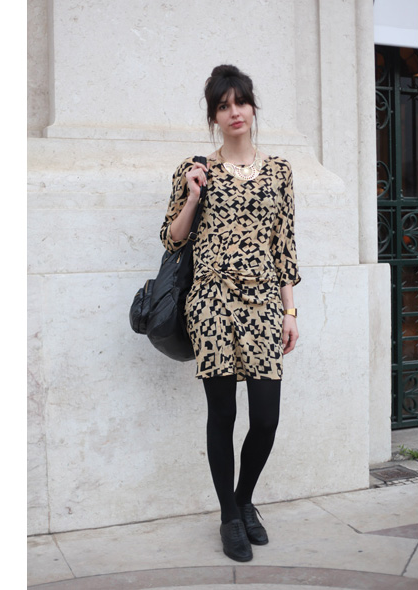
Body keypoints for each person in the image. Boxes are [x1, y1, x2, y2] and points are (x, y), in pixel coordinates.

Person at [159, 65, 301, 562]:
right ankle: (228, 517)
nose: (234, 112)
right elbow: (172, 238)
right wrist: (193, 195)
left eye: (240, 102)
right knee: (222, 413)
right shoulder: (195, 167)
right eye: (223, 106)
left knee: (266, 418)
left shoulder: (280, 171)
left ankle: (243, 501)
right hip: (212, 302)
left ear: (253, 107)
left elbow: (283, 246)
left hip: (263, 304)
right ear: (213, 117)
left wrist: (289, 311)